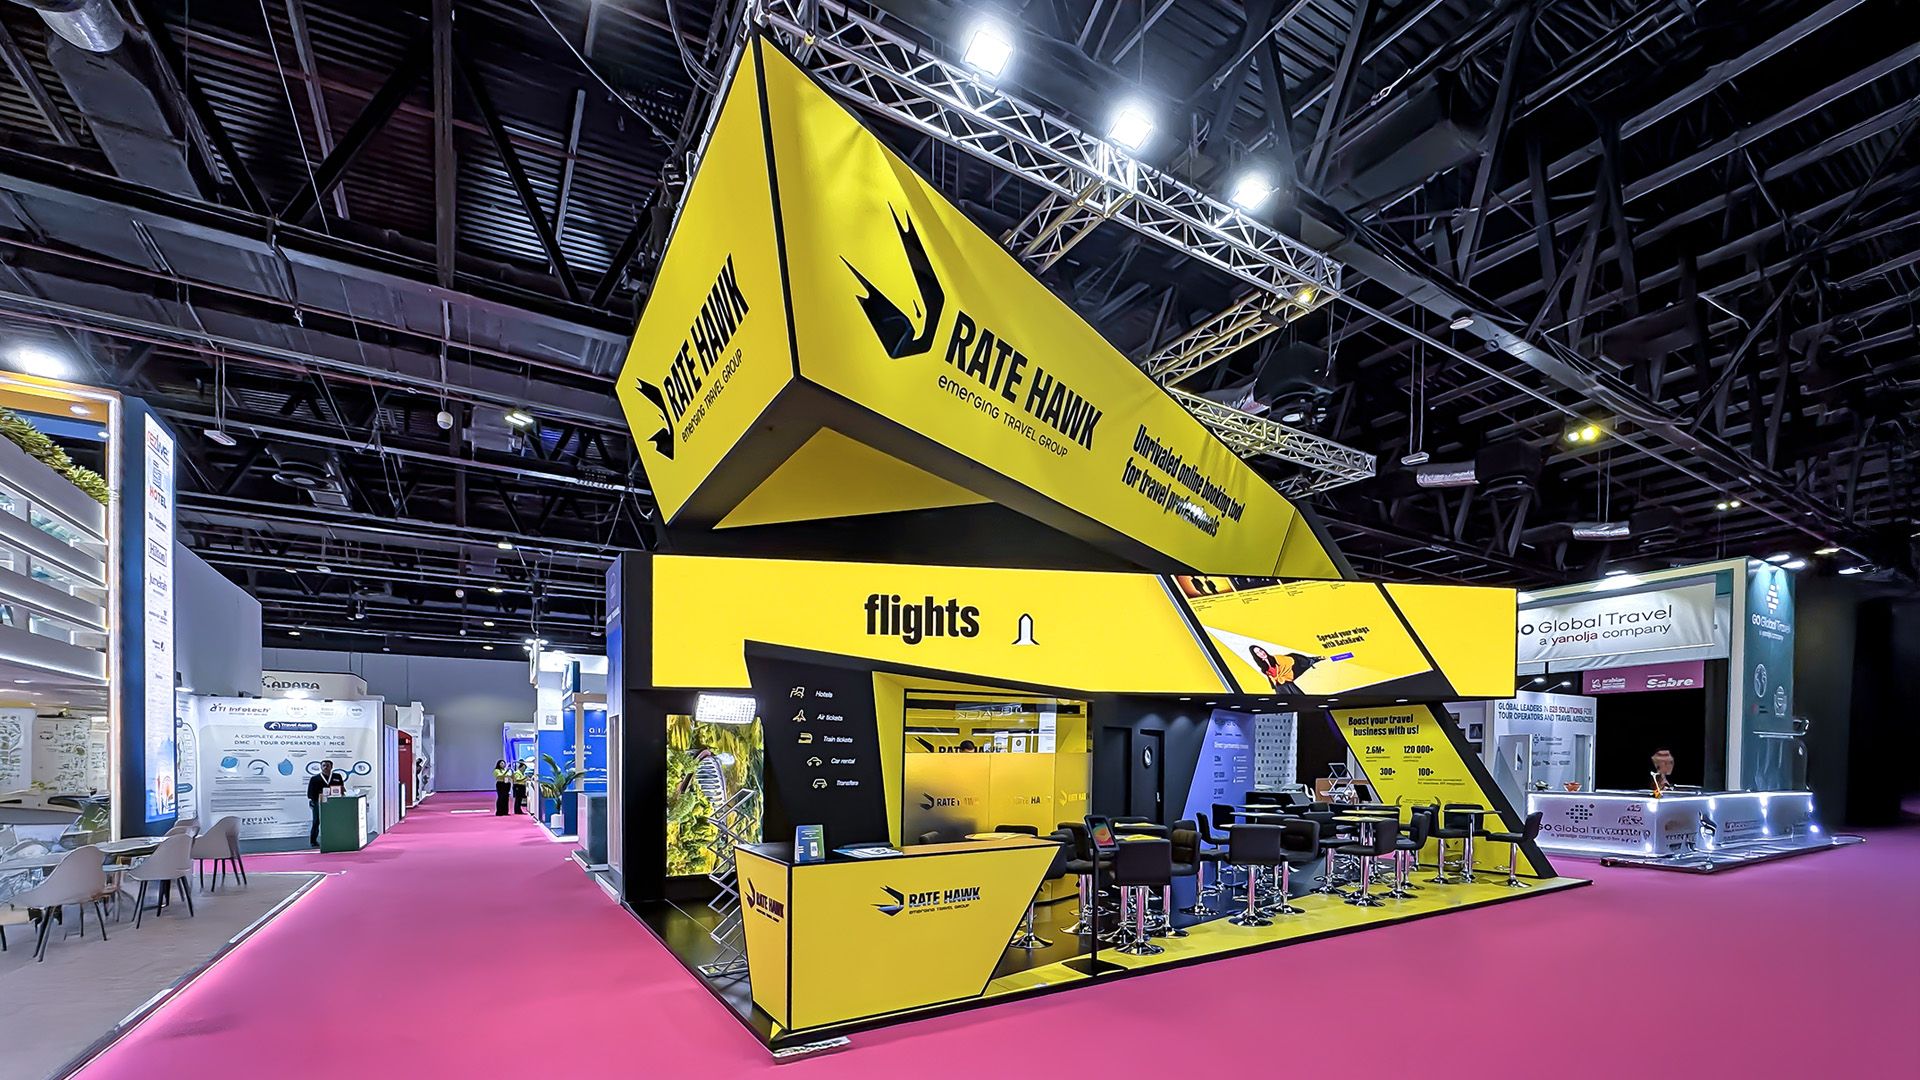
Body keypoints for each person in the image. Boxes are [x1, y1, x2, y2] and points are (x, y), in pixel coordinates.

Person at [307, 759, 337, 847]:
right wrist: (315, 801)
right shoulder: (314, 779)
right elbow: (310, 794)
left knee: (333, 821)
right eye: (323, 765)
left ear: (332, 767)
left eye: (328, 765)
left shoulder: (337, 776)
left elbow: (341, 788)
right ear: (321, 767)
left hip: (333, 803)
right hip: (318, 803)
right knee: (316, 821)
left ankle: (333, 839)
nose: (325, 767)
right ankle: (313, 841)